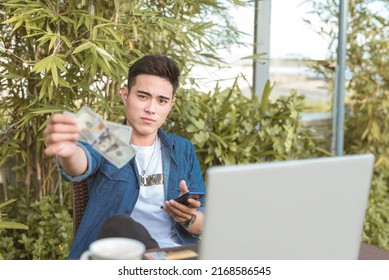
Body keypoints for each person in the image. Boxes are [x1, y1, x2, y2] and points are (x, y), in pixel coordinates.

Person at [44, 54, 206, 259]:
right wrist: (69, 152)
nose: (151, 109)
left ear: (171, 105)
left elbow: (204, 223)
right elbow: (81, 162)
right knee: (120, 224)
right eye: (143, 96)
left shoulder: (183, 150)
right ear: (125, 95)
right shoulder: (106, 138)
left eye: (162, 100)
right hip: (122, 255)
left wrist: (189, 218)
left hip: (178, 255)